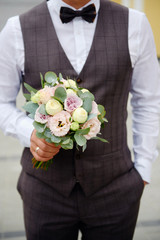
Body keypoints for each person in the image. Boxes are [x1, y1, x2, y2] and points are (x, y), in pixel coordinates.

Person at [0, 0, 160, 239]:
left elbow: (149, 100)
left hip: (116, 189)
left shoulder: (135, 24)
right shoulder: (16, 29)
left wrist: (143, 170)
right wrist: (29, 132)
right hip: (44, 192)